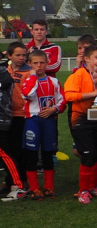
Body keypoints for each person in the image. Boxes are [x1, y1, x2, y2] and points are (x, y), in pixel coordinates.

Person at [63, 44, 97, 203]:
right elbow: (68, 96)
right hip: (81, 118)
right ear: (86, 59)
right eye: (96, 57)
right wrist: (93, 94)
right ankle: (83, 191)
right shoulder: (78, 75)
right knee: (89, 154)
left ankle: (92, 186)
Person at [20, 49, 65, 199]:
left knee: (48, 153)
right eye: (35, 63)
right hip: (33, 121)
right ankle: (34, 188)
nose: (39, 66)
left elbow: (62, 101)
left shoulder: (54, 82)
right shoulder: (28, 80)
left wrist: (54, 109)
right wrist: (33, 77)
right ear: (29, 64)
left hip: (49, 121)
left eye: (42, 63)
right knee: (32, 154)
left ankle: (49, 187)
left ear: (47, 63)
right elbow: (28, 94)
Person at [1, 44, 30, 200]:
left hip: (21, 114)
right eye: (18, 55)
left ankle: (20, 182)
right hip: (7, 114)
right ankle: (10, 181)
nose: (21, 58)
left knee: (18, 150)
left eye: (24, 55)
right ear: (9, 56)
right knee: (9, 150)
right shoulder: (5, 70)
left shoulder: (29, 72)